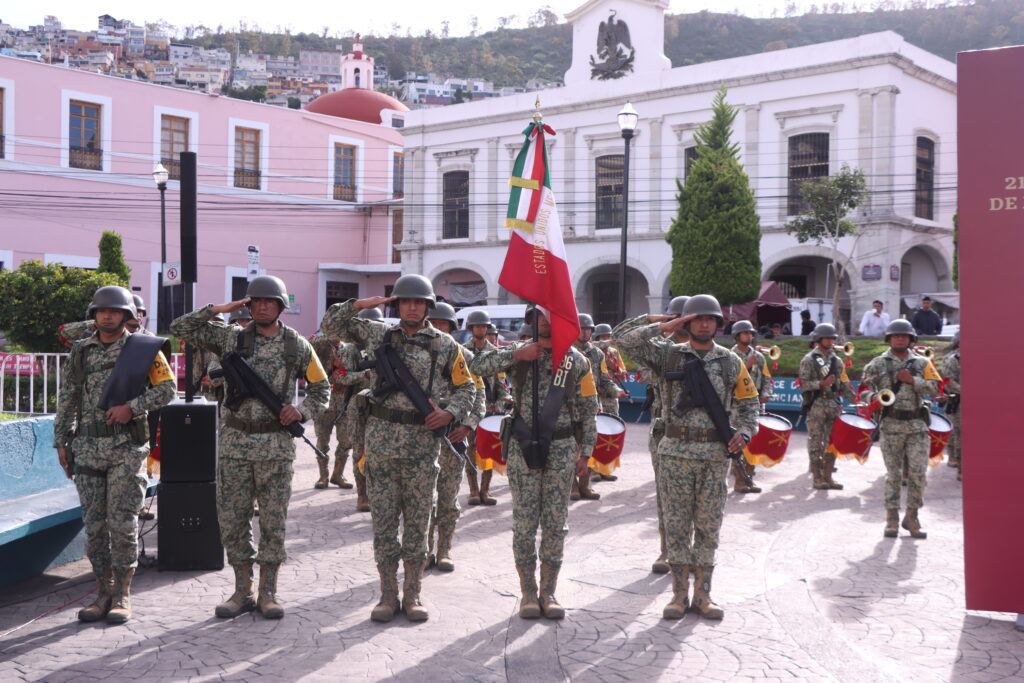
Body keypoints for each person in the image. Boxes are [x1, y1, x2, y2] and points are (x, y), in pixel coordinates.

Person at [170, 275, 330, 620]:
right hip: (235, 443)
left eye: (268, 301)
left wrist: (302, 411)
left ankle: (268, 591)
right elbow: (179, 327)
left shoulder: (296, 345)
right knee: (232, 519)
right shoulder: (231, 338)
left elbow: (322, 388)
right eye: (254, 301)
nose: (261, 306)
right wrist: (219, 309)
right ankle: (242, 590)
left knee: (273, 521)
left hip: (276, 445)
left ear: (280, 306)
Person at [319, 275, 475, 623]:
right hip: (380, 445)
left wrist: (449, 412)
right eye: (405, 301)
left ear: (428, 307)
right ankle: (388, 595)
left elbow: (468, 388)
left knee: (418, 524)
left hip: (422, 447)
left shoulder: (447, 345)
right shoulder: (379, 334)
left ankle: (413, 593)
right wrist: (359, 304)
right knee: (385, 524)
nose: (412, 306)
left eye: (419, 302)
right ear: (397, 305)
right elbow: (329, 325)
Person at [613, 294, 759, 620]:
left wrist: (745, 433)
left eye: (710, 319)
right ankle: (678, 595)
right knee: (677, 526)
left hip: (713, 456)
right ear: (688, 322)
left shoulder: (729, 361)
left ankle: (703, 595)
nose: (704, 323)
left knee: (708, 526)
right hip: (674, 454)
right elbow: (623, 339)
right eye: (697, 318)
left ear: (718, 325)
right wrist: (662, 323)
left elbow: (750, 405)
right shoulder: (668, 355)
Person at [54, 286, 176, 623]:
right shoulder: (82, 350)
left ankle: (122, 594)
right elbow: (68, 398)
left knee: (122, 525)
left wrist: (131, 408)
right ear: (94, 314)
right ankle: (102, 592)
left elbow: (168, 389)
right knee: (94, 528)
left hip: (126, 449)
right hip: (88, 450)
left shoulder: (143, 349)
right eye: (101, 310)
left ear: (127, 315)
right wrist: (62, 441)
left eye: (115, 310)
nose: (107, 315)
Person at [470, 307, 598, 620]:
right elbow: (477, 364)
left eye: (551, 312)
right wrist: (518, 356)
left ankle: (548, 590)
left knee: (555, 523)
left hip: (562, 447)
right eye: (538, 314)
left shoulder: (577, 360)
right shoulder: (520, 351)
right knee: (525, 523)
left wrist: (587, 452)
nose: (544, 319)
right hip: (524, 445)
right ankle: (527, 591)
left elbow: (587, 409)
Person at [861, 319, 942, 538]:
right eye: (896, 335)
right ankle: (891, 520)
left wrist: (913, 381)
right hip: (891, 425)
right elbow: (863, 390)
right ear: (889, 338)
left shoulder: (923, 363)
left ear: (910, 339)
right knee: (893, 475)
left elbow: (936, 388)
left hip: (917, 426)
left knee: (918, 474)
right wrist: (874, 397)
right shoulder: (877, 363)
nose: (899, 338)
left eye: (904, 336)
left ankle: (912, 517)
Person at [424, 302, 485, 573]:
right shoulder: (417, 354)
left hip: (454, 437)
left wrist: (469, 425)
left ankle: (444, 549)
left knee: (448, 498)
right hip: (422, 438)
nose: (439, 328)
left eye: (444, 324)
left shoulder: (465, 356)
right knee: (423, 499)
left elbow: (478, 395)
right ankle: (423, 550)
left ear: (452, 327)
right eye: (434, 323)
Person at [572, 313, 625, 497]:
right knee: (571, 446)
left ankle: (584, 486)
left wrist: (615, 390)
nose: (585, 332)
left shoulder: (596, 353)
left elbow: (604, 378)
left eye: (588, 329)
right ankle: (572, 486)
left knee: (589, 445)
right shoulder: (567, 350)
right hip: (569, 407)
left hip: (591, 406)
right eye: (582, 328)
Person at [798, 323, 856, 490]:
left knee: (832, 442)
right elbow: (803, 384)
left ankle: (828, 476)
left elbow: (843, 383)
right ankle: (817, 477)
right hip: (816, 405)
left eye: (832, 338)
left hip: (833, 404)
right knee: (816, 442)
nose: (830, 341)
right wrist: (820, 383)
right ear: (819, 339)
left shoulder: (837, 361)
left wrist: (856, 401)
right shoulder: (809, 359)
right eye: (827, 338)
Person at [464, 309, 513, 505]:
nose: (481, 329)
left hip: (491, 409)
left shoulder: (495, 352)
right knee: (470, 451)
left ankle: (485, 490)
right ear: (471, 328)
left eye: (484, 326)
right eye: (477, 326)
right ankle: (473, 490)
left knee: (489, 450)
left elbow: (501, 383)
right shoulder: (463, 351)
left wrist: (505, 399)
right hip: (469, 408)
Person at [336, 308, 381, 512]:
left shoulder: (385, 347)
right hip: (358, 407)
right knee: (359, 450)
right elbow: (342, 377)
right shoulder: (350, 349)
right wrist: (365, 375)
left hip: (382, 404)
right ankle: (362, 495)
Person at [729, 321, 773, 494]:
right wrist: (747, 365)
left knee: (754, 444)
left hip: (755, 406)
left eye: (751, 333)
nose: (749, 336)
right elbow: (728, 381)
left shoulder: (759, 357)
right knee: (739, 442)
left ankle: (749, 478)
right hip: (737, 407)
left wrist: (766, 393)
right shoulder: (730, 355)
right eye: (745, 333)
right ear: (737, 336)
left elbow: (767, 378)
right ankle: (740, 481)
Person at [310, 332, 352, 490]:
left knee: (346, 441)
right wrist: (331, 336)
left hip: (344, 403)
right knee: (322, 442)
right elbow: (310, 343)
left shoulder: (349, 347)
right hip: (323, 403)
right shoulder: (319, 342)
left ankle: (338, 474)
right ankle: (323, 476)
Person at [592, 323, 629, 417]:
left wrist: (616, 369)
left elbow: (622, 374)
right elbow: (595, 344)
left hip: (611, 394)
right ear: (597, 337)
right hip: (596, 393)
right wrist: (610, 342)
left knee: (613, 419)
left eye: (608, 336)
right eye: (603, 337)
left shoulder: (614, 352)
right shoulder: (592, 349)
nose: (606, 339)